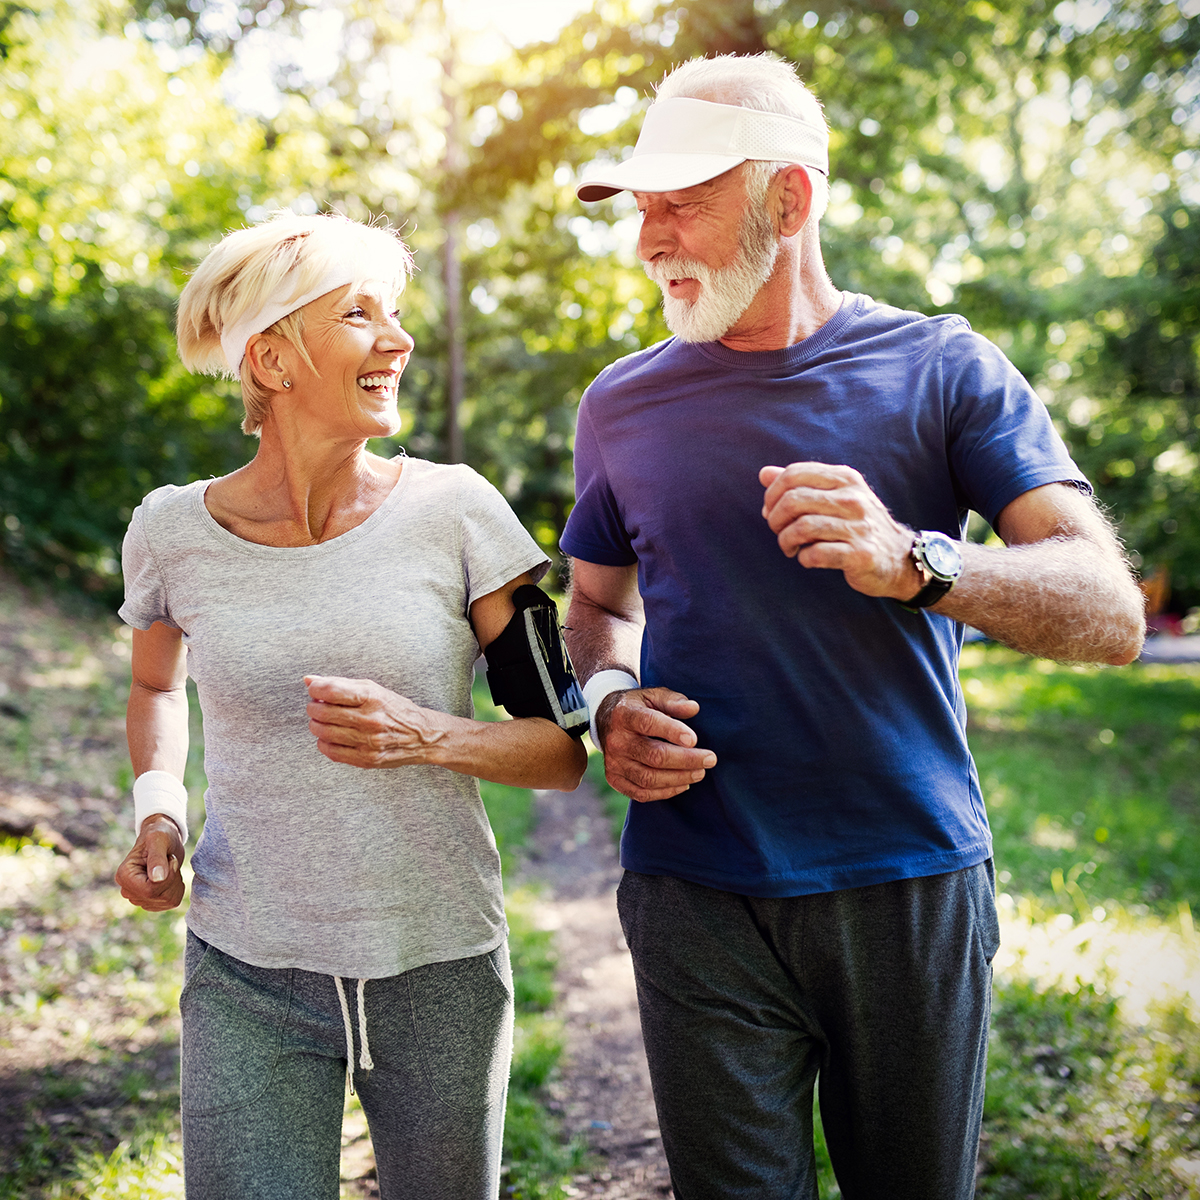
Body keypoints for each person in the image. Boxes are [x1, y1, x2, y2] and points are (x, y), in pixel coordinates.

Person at [562, 53, 1145, 1200]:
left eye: (681, 204)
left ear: (791, 198)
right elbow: (596, 606)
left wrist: (918, 561)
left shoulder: (944, 369)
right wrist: (608, 701)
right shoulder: (619, 403)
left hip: (906, 881)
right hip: (694, 887)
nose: (648, 242)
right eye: (642, 210)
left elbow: (1111, 611)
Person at [113, 211, 588, 1200]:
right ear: (274, 361)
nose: (399, 340)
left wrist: (428, 735)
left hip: (439, 965)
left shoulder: (458, 514)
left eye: (398, 312)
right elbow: (156, 682)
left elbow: (561, 748)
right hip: (246, 966)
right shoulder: (170, 532)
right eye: (361, 314)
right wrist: (158, 805)